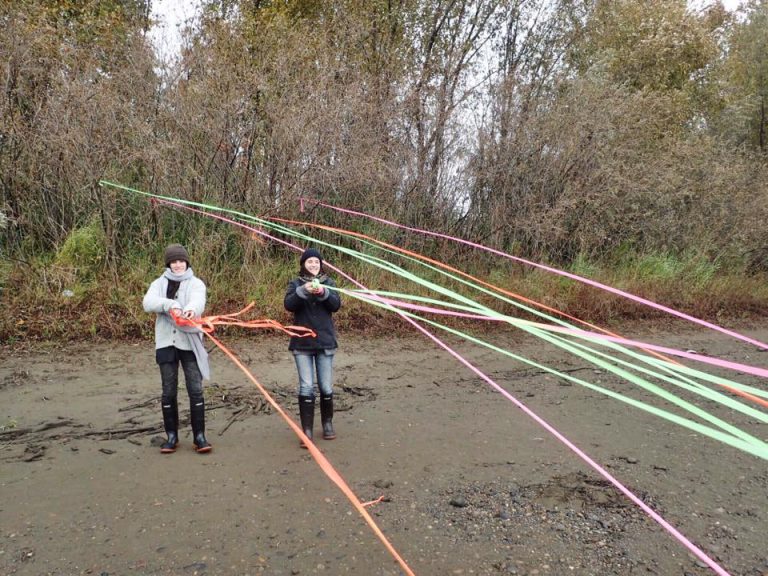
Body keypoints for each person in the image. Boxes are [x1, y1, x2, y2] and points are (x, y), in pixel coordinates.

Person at [143, 243, 212, 454]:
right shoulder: (158, 284)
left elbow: (198, 301)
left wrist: (190, 310)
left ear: (187, 262)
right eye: (174, 261)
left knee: (195, 389)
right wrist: (170, 305)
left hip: (189, 343)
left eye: (181, 261)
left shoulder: (196, 283)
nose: (178, 264)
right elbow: (148, 303)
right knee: (168, 391)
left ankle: (199, 436)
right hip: (165, 343)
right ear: (169, 264)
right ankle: (171, 436)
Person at [284, 248, 342, 446]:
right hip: (302, 343)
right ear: (303, 264)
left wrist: (323, 292)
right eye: (309, 262)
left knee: (326, 386)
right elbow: (289, 304)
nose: (313, 265)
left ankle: (327, 424)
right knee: (306, 386)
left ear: (321, 264)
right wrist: (303, 291)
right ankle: (306, 430)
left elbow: (336, 305)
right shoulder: (295, 283)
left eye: (316, 262)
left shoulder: (330, 283)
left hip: (325, 342)